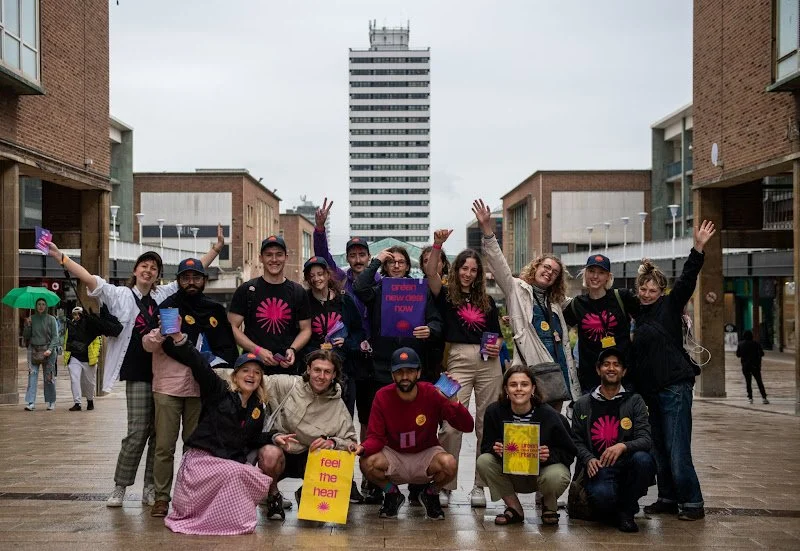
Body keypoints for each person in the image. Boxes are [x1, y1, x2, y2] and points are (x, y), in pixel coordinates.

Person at [47, 227, 224, 507]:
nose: (148, 271)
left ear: (158, 275)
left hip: (164, 374)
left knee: (159, 435)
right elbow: (90, 278)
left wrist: (215, 250)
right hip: (138, 372)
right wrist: (60, 257)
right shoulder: (119, 295)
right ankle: (120, 485)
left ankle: (150, 488)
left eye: (154, 268)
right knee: (138, 430)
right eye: (145, 266)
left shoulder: (163, 295)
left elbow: (191, 274)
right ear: (136, 269)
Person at [160, 339, 295, 535]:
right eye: (245, 370)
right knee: (238, 472)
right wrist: (181, 340)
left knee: (246, 473)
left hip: (227, 463)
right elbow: (198, 364)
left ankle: (228, 520)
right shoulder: (219, 390)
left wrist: (274, 438)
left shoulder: (257, 407)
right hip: (202, 461)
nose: (251, 375)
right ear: (235, 375)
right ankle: (209, 520)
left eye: (257, 372)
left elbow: (252, 438)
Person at [630, 220, 716, 521]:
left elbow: (688, 280)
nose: (647, 293)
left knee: (677, 447)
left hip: (674, 388)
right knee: (659, 448)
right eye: (643, 288)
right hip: (651, 393)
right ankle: (667, 498)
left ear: (661, 291)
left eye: (652, 289)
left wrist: (698, 248)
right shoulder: (638, 314)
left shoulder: (669, 306)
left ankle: (692, 502)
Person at [142, 258, 238, 518]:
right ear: (179, 281)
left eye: (196, 277)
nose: (191, 282)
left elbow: (227, 349)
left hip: (200, 388)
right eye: (185, 278)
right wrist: (161, 332)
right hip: (168, 387)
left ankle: (190, 497)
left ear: (204, 280)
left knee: (195, 447)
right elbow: (147, 345)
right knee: (164, 446)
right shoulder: (167, 306)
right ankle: (162, 498)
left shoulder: (215, 310)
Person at [353, 245, 444, 504]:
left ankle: (417, 484)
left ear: (407, 266)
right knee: (381, 424)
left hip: (414, 367)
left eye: (401, 262)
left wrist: (430, 329)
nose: (396, 266)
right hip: (383, 366)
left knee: (418, 423)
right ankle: (379, 483)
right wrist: (375, 260)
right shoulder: (379, 289)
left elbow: (437, 321)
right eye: (391, 262)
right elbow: (359, 287)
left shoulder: (420, 289)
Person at [474, 199, 581, 407]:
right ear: (536, 267)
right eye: (546, 267)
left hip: (556, 373)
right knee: (527, 420)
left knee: (552, 422)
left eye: (555, 272)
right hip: (529, 372)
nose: (549, 273)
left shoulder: (557, 301)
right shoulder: (517, 289)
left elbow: (585, 303)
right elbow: (498, 265)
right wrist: (487, 228)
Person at [424, 229, 502, 508]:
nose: (468, 274)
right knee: (450, 424)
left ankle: (479, 486)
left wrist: (498, 345)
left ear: (479, 274)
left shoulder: (487, 302)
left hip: (488, 363)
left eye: (473, 270)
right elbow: (431, 272)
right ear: (456, 270)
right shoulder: (446, 295)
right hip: (457, 359)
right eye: (464, 268)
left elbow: (497, 334)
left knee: (486, 424)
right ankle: (445, 483)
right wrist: (437, 244)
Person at [357, 348, 474, 520]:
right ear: (392, 375)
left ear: (418, 373)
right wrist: (362, 448)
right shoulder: (382, 396)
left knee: (449, 463)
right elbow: (376, 437)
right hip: (394, 454)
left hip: (425, 453)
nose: (405, 377)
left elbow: (467, 426)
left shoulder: (433, 393)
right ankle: (392, 493)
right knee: (367, 462)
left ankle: (431, 493)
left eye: (410, 371)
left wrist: (454, 401)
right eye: (399, 372)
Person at [256, 349, 359, 520]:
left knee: (314, 521)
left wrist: (333, 442)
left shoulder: (338, 404)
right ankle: (273, 496)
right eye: (317, 370)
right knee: (269, 453)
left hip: (310, 459)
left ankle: (306, 493)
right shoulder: (289, 384)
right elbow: (256, 379)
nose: (321, 376)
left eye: (327, 372)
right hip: (282, 451)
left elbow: (351, 443)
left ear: (334, 375)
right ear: (309, 369)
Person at [312, 199, 378, 441]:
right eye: (353, 255)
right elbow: (323, 258)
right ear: (348, 259)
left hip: (374, 357)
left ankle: (368, 461)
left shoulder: (381, 283)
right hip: (348, 356)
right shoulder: (340, 280)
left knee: (370, 417)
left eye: (362, 255)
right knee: (343, 415)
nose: (358, 259)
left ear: (369, 257)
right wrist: (320, 229)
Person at [476, 365, 575, 526]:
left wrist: (548, 455)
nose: (519, 389)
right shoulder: (494, 412)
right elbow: (486, 446)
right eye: (513, 385)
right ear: (506, 389)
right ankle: (514, 508)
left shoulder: (550, 415)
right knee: (484, 461)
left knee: (557, 475)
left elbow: (569, 453)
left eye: (524, 384)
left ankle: (549, 505)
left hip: (541, 473)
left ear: (533, 388)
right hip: (511, 474)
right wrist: (496, 449)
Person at [571, 348, 656, 532]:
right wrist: (588, 458)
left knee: (644, 460)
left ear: (623, 371)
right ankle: (617, 506)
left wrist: (622, 446)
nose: (611, 368)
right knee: (602, 498)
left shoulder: (635, 401)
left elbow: (646, 439)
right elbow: (575, 440)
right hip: (599, 467)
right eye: (606, 364)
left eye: (616, 365)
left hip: (628, 464)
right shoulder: (582, 404)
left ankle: (627, 510)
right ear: (598, 369)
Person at [228, 235, 312, 376]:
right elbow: (231, 327)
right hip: (254, 370)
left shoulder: (298, 292)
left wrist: (293, 349)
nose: (274, 259)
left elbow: (306, 329)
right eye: (268, 255)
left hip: (289, 371)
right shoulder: (247, 290)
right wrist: (257, 350)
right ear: (261, 258)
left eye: (279, 254)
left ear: (286, 257)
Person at [562, 253, 639, 394]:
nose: (595, 276)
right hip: (591, 380)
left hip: (623, 377)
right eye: (591, 271)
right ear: (585, 274)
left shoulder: (621, 297)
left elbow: (646, 318)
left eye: (601, 273)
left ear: (608, 277)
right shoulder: (577, 304)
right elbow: (558, 327)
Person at [300, 255, 365, 415]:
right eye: (312, 275)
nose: (316, 279)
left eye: (320, 274)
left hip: (343, 371)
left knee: (343, 418)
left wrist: (346, 342)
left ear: (328, 275)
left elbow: (359, 332)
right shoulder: (303, 301)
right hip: (315, 372)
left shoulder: (344, 300)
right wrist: (314, 351)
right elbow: (298, 333)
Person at [22, 298, 60, 411]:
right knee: (32, 376)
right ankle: (31, 402)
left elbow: (55, 337)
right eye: (39, 304)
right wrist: (28, 325)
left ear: (46, 306)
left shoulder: (51, 319)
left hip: (48, 352)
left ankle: (51, 401)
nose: (41, 306)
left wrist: (50, 349)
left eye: (43, 304)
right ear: (35, 306)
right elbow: (26, 336)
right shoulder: (31, 318)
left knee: (49, 377)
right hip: (34, 350)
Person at [63, 306, 102, 411]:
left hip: (89, 358)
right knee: (74, 379)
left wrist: (95, 354)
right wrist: (66, 354)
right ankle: (77, 403)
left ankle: (90, 400)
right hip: (74, 357)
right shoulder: (71, 326)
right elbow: (66, 340)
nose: (77, 316)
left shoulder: (90, 325)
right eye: (74, 314)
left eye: (79, 314)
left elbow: (97, 341)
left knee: (89, 382)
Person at [736, 330, 769, 404]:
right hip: (755, 366)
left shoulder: (740, 344)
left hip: (745, 366)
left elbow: (738, 355)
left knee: (748, 382)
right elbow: (762, 353)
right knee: (759, 382)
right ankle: (764, 397)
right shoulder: (756, 343)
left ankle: (750, 398)